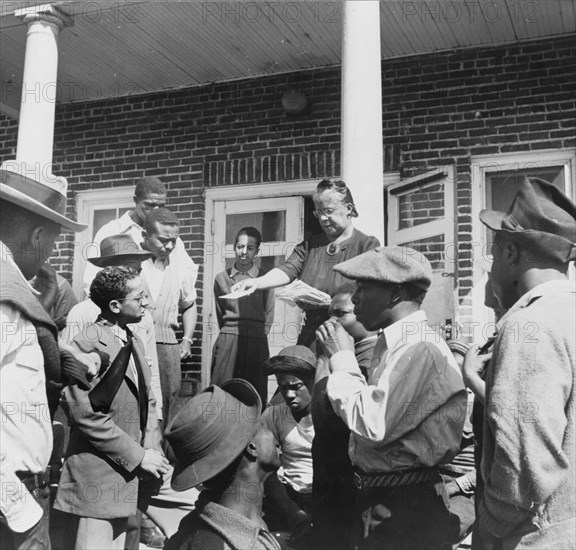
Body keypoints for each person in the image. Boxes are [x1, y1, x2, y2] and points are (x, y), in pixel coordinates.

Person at [316, 246, 468, 550]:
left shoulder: (419, 348)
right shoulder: (396, 345)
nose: (356, 298)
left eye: (364, 287)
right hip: (385, 499)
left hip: (406, 507)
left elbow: (373, 424)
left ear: (395, 294)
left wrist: (342, 358)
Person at [469, 178, 575, 549]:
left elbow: (523, 470)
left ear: (511, 252)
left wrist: (489, 523)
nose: (494, 266)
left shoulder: (528, 325)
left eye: (495, 255)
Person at [0, 167, 88, 549]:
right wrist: (20, 508)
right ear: (36, 235)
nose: (51, 254)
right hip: (13, 505)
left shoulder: (16, 295)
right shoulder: (6, 301)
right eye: (51, 244)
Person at [54, 266, 169, 549]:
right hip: (97, 481)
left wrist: (153, 449)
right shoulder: (87, 343)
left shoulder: (134, 341)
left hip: (131, 480)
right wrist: (139, 455)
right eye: (140, 297)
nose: (147, 303)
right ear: (115, 305)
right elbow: (84, 415)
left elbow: (149, 402)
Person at [232, 178, 380, 346]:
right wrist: (256, 282)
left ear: (348, 209)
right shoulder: (310, 245)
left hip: (349, 335)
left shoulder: (366, 245)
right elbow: (287, 269)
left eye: (329, 211)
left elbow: (371, 293)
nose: (323, 218)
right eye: (319, 213)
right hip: (312, 335)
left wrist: (335, 303)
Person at [164, 379, 282, 550]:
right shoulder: (233, 544)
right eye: (262, 426)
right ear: (251, 447)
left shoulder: (196, 526)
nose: (272, 433)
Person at [311, 285, 378, 550]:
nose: (330, 322)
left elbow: (325, 418)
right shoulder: (339, 353)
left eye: (341, 314)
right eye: (328, 314)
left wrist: (323, 360)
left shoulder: (372, 358)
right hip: (328, 469)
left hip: (351, 472)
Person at [139, 207, 198, 426]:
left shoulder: (180, 265)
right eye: (164, 240)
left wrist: (187, 339)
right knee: (136, 402)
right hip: (135, 343)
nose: (170, 246)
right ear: (145, 236)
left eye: (174, 240)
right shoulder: (131, 261)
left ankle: (163, 455)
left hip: (167, 347)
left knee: (168, 402)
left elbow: (189, 304)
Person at [211, 226, 274, 406]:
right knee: (222, 388)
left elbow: (268, 314)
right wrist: (228, 334)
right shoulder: (221, 278)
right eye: (240, 246)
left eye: (250, 248)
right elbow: (219, 312)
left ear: (257, 251)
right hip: (228, 336)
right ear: (234, 247)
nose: (244, 252)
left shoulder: (264, 279)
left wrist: (257, 336)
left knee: (255, 392)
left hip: (256, 339)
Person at [260, 346, 316, 548]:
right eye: (283, 387)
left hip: (321, 495)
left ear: (313, 381)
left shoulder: (331, 415)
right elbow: (264, 469)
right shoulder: (274, 415)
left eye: (296, 386)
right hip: (286, 494)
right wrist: (290, 508)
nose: (289, 394)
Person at [82, 175, 168, 296]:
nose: (156, 211)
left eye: (162, 206)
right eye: (150, 205)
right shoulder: (111, 231)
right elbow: (91, 283)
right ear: (135, 200)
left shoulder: (172, 238)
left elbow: (187, 293)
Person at [443, 339, 476, 548]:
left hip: (465, 488)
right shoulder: (429, 404)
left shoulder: (479, 404)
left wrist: (455, 486)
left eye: (458, 367)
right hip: (433, 482)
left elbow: (489, 465)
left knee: (443, 531)